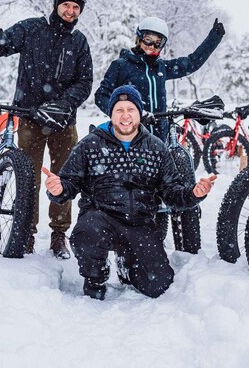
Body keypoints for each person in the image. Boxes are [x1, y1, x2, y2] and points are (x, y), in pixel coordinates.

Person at [42, 85, 216, 300]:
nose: (125, 116)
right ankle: (95, 276)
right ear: (111, 113)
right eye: (119, 110)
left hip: (140, 224)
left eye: (131, 110)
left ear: (139, 113)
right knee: (86, 236)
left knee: (157, 286)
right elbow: (69, 183)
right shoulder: (90, 144)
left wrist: (194, 193)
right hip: (100, 218)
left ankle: (127, 266)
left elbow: (172, 192)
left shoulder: (156, 147)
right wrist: (58, 189)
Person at [0, 0, 94, 259]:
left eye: (75, 7)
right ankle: (25, 232)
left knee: (64, 177)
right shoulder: (32, 28)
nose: (70, 11)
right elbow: (0, 46)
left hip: (63, 122)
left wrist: (63, 104)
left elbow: (85, 81)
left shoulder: (79, 42)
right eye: (66, 5)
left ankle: (58, 234)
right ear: (56, 4)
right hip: (30, 117)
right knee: (28, 175)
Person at [95, 16, 225, 140]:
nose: (152, 46)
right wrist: (126, 115)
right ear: (139, 38)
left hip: (160, 137)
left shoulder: (161, 67)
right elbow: (101, 96)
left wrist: (214, 38)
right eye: (148, 39)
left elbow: (191, 63)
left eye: (158, 42)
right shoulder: (121, 66)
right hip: (131, 135)